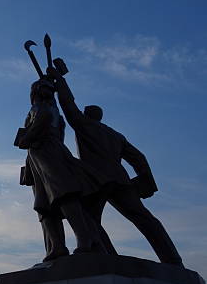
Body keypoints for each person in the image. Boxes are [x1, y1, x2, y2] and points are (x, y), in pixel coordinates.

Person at [48, 66, 183, 266]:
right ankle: (173, 260)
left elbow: (68, 103)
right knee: (144, 217)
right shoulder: (116, 135)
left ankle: (105, 257)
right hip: (121, 179)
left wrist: (60, 81)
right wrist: (146, 181)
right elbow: (139, 157)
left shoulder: (84, 125)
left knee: (86, 218)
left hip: (96, 180)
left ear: (87, 114)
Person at [17, 79, 104, 261]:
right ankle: (57, 246)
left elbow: (39, 125)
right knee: (43, 205)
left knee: (64, 195)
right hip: (39, 157)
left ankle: (84, 239)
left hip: (47, 153)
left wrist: (25, 140)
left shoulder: (42, 110)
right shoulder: (52, 113)